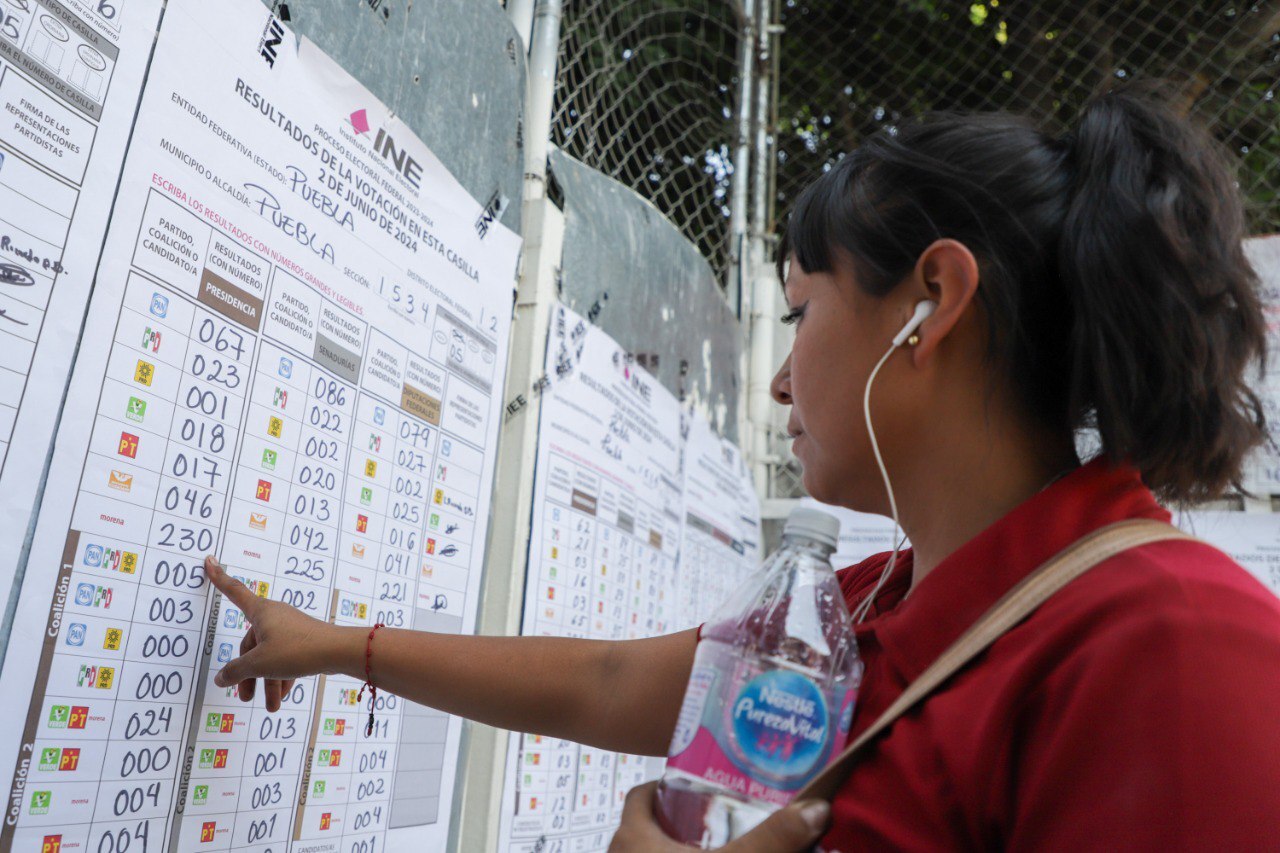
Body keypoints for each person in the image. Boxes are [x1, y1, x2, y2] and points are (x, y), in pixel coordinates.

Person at [205, 82, 1280, 851]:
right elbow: (610, 683)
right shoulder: (874, 608)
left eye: (800, 313)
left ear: (931, 303)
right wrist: (339, 645)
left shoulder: (1174, 642)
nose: (775, 383)